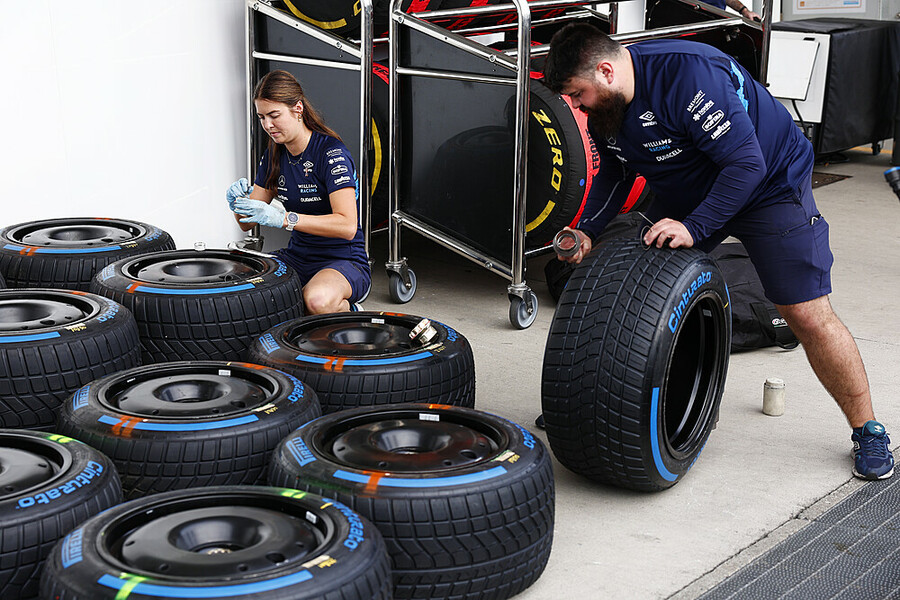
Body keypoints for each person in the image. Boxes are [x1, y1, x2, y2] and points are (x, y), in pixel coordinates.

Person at [542, 23, 893, 480]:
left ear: (606, 71)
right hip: (689, 188)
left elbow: (746, 164)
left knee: (806, 314)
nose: (576, 105)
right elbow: (614, 172)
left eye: (578, 94)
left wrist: (694, 227)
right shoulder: (606, 107)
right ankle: (596, 403)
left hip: (768, 186)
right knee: (627, 288)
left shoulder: (688, 77)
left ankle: (868, 430)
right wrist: (587, 229)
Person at [227, 70, 370, 314]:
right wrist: (237, 204)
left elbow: (347, 226)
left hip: (343, 259)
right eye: (262, 117)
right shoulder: (274, 154)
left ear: (298, 109)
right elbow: (245, 224)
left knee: (316, 301)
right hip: (297, 256)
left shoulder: (331, 153)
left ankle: (351, 312)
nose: (267, 125)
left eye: (274, 115)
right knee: (238, 286)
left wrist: (285, 219)